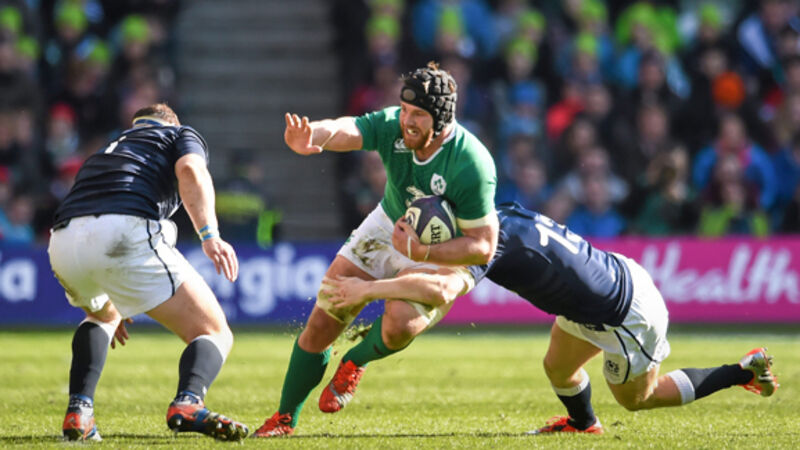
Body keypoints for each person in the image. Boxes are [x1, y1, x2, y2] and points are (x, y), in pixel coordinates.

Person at [322, 202, 779, 434]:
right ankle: (584, 424)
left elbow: (441, 288)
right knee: (558, 368)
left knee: (639, 399)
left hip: (624, 316)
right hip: (602, 288)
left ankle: (740, 372)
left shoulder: (485, 247)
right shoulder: (494, 215)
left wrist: (368, 289)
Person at [254, 62, 499, 437]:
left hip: (445, 247)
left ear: (442, 119)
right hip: (388, 224)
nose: (407, 121)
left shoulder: (471, 163)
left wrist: (421, 252)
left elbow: (482, 247)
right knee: (324, 318)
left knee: (400, 324)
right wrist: (314, 135)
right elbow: (349, 128)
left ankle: (356, 359)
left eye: (418, 115)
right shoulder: (392, 125)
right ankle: (284, 419)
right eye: (404, 110)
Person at [48, 103, 249, 441]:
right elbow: (191, 170)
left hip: (62, 240)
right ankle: (189, 402)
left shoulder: (111, 147)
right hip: (122, 230)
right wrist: (210, 236)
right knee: (215, 332)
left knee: (102, 316)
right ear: (171, 121)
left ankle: (79, 412)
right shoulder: (178, 134)